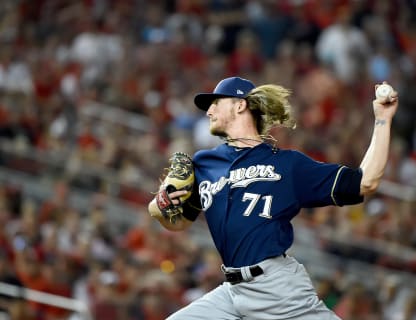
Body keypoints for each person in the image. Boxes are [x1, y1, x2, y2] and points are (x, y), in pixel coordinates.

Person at [148, 76, 399, 320]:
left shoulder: (287, 165)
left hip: (277, 290)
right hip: (232, 292)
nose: (209, 111)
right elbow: (178, 222)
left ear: (240, 104)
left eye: (216, 103)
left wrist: (382, 120)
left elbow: (365, 181)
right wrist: (160, 204)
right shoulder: (205, 163)